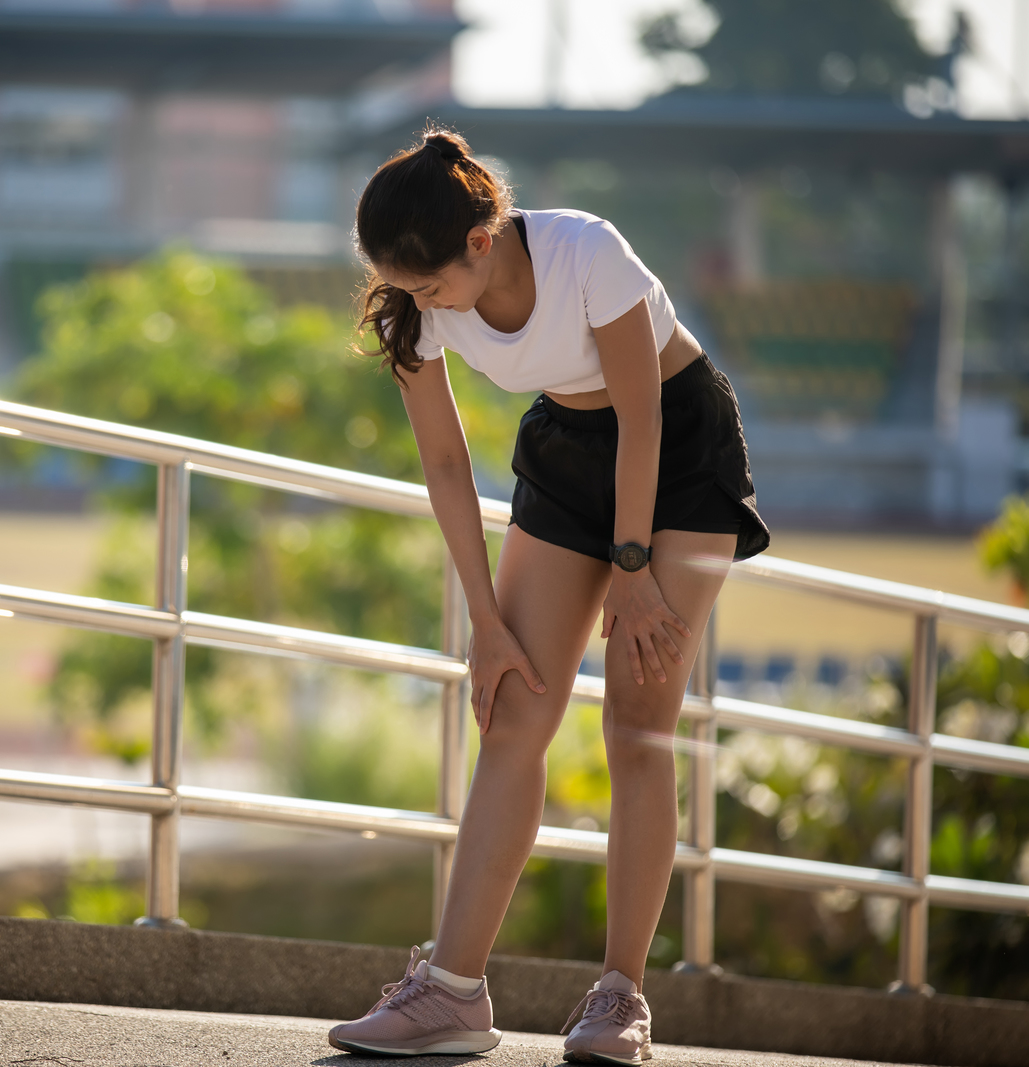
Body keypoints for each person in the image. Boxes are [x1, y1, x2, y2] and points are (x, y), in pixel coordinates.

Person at [325, 129, 769, 1065]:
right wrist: (485, 623)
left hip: (677, 450)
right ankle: (451, 991)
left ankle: (620, 999)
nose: (417, 302)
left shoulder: (583, 251)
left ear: (480, 243)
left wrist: (636, 566)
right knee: (514, 707)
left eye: (431, 284)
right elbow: (445, 465)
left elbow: (644, 411)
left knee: (639, 724)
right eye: (402, 286)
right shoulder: (413, 309)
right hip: (567, 449)